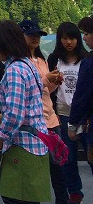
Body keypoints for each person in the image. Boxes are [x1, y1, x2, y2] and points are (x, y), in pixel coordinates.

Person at [0, 19, 50, 204]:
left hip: (22, 147)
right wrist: (2, 115)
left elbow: (15, 114)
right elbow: (28, 103)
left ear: (6, 42)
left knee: (16, 199)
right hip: (36, 144)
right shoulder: (27, 64)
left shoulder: (14, 70)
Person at [18, 18, 67, 204]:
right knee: (36, 168)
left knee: (57, 166)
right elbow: (30, 89)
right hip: (34, 123)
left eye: (38, 35)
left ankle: (62, 199)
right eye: (31, 34)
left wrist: (55, 82)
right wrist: (46, 79)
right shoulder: (20, 63)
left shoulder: (41, 60)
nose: (35, 38)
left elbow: (46, 90)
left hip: (50, 119)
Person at [48, 20, 92, 204]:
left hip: (85, 117)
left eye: (73, 38)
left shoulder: (86, 59)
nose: (69, 42)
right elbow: (49, 89)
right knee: (68, 157)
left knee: (90, 155)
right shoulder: (54, 59)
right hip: (64, 114)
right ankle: (74, 192)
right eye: (65, 38)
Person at [67, 17, 93, 177]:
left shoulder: (89, 63)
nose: (84, 38)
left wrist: (73, 123)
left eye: (87, 33)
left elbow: (82, 96)